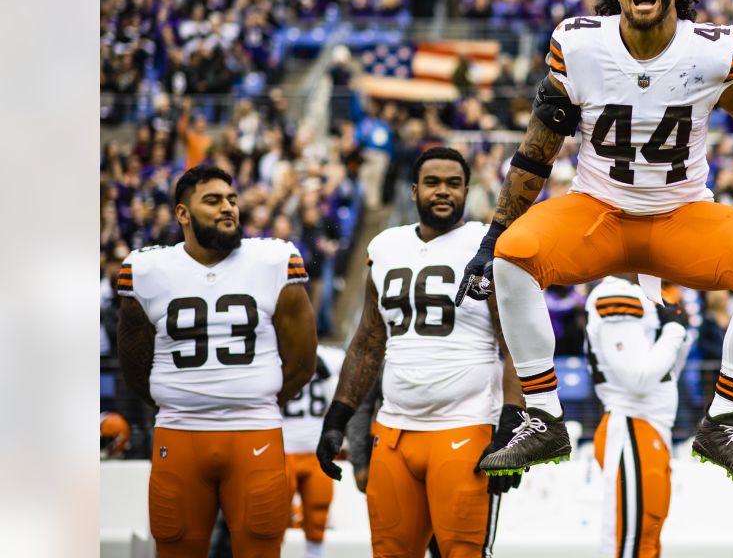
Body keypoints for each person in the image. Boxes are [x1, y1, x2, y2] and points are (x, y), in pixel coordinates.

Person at [454, 0, 733, 488]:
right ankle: (545, 417)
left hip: (682, 215)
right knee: (511, 255)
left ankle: (723, 422)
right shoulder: (580, 46)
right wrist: (490, 234)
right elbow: (536, 152)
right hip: (597, 211)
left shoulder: (710, 52)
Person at [315, 147, 525, 558]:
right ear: (414, 191)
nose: (442, 191)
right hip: (394, 431)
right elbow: (368, 341)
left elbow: (516, 343)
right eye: (432, 182)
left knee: (462, 552)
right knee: (390, 551)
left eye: (453, 183)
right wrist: (338, 415)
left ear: (467, 190)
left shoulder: (490, 247)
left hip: (466, 428)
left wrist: (511, 424)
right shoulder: (385, 246)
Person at [116, 164, 319, 558]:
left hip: (254, 432)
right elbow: (134, 365)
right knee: (175, 548)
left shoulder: (273, 259)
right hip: (179, 433)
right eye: (212, 201)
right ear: (182, 214)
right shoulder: (147, 269)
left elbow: (302, 361)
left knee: (260, 549)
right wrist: (181, 398)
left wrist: (254, 398)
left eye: (231, 199)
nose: (228, 208)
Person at [584, 275, 694, 557]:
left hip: (650, 428)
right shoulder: (616, 293)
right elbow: (638, 379)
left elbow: (665, 375)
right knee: (630, 544)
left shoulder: (641, 293)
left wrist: (677, 332)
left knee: (648, 538)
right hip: (631, 426)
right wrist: (673, 330)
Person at [280, 344, 346, 558]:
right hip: (281, 450)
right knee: (271, 522)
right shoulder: (270, 351)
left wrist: (325, 373)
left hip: (316, 450)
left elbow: (343, 396)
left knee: (318, 518)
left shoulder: (332, 357)